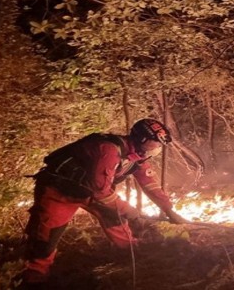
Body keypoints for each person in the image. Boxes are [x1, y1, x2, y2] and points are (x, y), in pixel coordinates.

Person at [22, 118, 187, 285]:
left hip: (91, 194)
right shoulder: (108, 150)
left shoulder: (137, 156)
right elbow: (100, 191)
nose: (157, 148)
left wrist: (168, 209)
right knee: (45, 241)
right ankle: (36, 280)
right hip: (59, 194)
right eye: (154, 143)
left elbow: (149, 184)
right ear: (141, 139)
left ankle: (133, 261)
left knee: (118, 224)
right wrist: (129, 210)